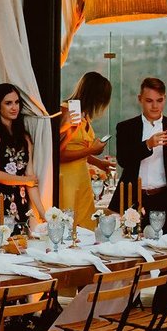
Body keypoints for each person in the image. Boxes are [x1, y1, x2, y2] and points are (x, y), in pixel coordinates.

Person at [114, 77, 167, 235]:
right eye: (149, 100)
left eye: (159, 100)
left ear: (165, 99)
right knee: (132, 250)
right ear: (140, 99)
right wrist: (147, 145)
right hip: (134, 199)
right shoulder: (126, 128)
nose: (155, 106)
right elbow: (123, 160)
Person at [0, 84, 45, 232]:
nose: (14, 107)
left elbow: (30, 177)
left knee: (21, 246)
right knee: (1, 246)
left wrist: (43, 212)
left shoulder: (24, 137)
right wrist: (26, 181)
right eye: (8, 103)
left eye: (17, 102)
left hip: (21, 201)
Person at [59, 72, 116, 229]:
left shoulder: (83, 116)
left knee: (86, 223)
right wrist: (91, 149)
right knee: (69, 222)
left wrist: (99, 163)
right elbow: (58, 154)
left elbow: (80, 152)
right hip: (67, 178)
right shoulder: (67, 112)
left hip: (81, 176)